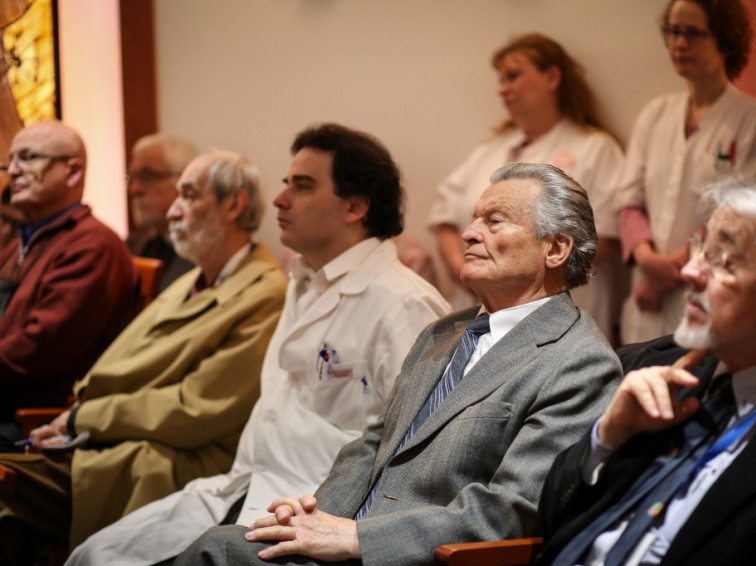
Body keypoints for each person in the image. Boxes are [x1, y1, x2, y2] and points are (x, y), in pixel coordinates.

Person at [171, 162, 622, 566]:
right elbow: (374, 443)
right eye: (473, 219)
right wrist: (316, 519)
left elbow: (509, 513)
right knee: (216, 546)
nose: (468, 233)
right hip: (346, 543)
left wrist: (356, 539)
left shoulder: (579, 363)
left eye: (494, 221)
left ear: (556, 249)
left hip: (417, 556)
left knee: (216, 552)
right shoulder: (444, 331)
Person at [66, 122, 451, 566]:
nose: (280, 200)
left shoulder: (403, 304)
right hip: (244, 484)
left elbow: (417, 457)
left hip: (316, 511)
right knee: (92, 554)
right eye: (287, 183)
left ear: (355, 206)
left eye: (302, 187)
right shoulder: (304, 281)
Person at [537, 180, 756, 566]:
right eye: (700, 248)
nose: (690, 270)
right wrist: (608, 436)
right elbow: (550, 522)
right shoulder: (662, 372)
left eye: (724, 259)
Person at [0, 150, 287, 563]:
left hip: (166, 458)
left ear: (234, 204)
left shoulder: (266, 293)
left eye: (188, 195)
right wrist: (76, 420)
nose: (173, 211)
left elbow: (197, 408)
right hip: (106, 439)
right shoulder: (194, 278)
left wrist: (84, 419)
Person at [427, 33, 625, 341]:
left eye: (513, 76)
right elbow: (445, 219)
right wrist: (465, 268)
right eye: (501, 80)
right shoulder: (490, 150)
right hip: (478, 306)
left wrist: (517, 278)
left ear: (552, 77)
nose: (503, 89)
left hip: (554, 312)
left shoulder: (594, 147)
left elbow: (607, 237)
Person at [616, 0, 756, 345]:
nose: (679, 43)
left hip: (705, 294)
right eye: (673, 32)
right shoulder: (655, 114)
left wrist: (671, 271)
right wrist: (647, 259)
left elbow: (742, 212)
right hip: (646, 297)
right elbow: (629, 202)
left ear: (725, 40)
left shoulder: (752, 118)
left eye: (693, 33)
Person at [0, 121, 137, 449]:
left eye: (28, 158)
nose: (13, 171)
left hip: (32, 421)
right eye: (10, 161)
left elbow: (34, 355)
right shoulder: (21, 240)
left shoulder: (92, 246)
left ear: (72, 172)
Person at [125, 133, 198, 290]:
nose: (134, 189)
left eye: (148, 177)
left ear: (186, 182)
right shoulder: (128, 247)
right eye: (132, 178)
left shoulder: (208, 252)